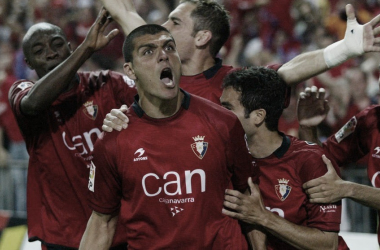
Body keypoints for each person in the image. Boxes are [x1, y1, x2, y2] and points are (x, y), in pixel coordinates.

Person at [79, 24, 257, 250]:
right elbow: (102, 223)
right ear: (130, 71)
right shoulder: (113, 140)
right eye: (148, 51)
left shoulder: (224, 123)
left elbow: (250, 199)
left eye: (169, 47)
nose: (163, 55)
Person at [100, 0, 380, 132]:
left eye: (174, 22)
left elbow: (288, 70)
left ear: (201, 37)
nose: (162, 27)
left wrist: (345, 48)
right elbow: (123, 10)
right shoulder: (151, 65)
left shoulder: (234, 84)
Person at [9, 8, 136, 249]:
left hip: (119, 232)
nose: (50, 52)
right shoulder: (22, 91)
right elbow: (34, 103)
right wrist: (86, 48)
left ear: (69, 46)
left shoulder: (108, 83)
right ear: (29, 62)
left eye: (57, 44)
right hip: (63, 236)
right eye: (38, 51)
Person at [219, 67, 348, 249]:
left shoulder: (310, 160)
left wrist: (263, 216)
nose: (217, 114)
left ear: (258, 116)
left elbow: (327, 244)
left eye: (227, 108)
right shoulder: (227, 159)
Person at [297, 85, 380, 245]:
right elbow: (324, 158)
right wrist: (308, 128)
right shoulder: (372, 118)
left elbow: (345, 188)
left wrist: (348, 189)